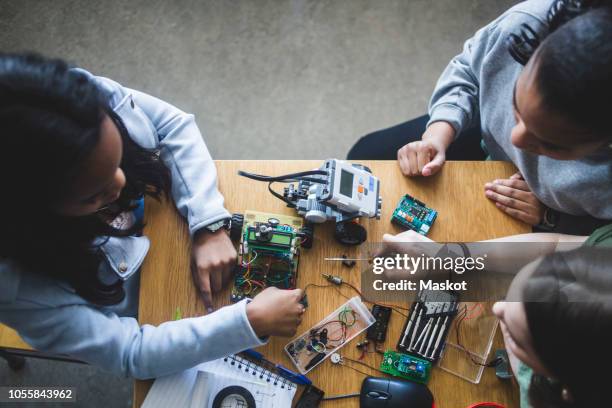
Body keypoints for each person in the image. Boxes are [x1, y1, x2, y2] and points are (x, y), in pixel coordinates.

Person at [0, 53, 304, 379]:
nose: (120, 183)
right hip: (125, 302)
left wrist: (209, 224)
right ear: (34, 217)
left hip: (164, 235)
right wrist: (249, 322)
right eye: (94, 194)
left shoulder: (66, 99)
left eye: (116, 161)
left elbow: (172, 124)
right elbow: (132, 353)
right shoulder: (19, 289)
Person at [348, 0, 612, 234]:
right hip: (473, 133)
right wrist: (438, 132)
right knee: (364, 153)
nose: (515, 139)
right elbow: (468, 69)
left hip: (537, 216)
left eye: (551, 144)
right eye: (517, 108)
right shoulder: (526, 26)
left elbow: (602, 241)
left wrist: (552, 218)